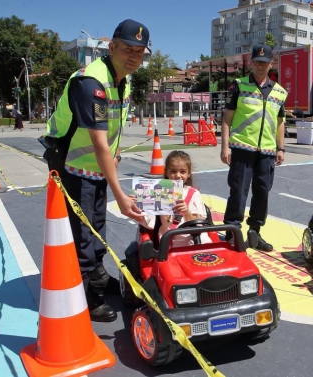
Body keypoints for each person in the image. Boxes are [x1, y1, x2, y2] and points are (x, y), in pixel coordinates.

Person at [41, 19, 149, 322]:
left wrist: (114, 158)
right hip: (72, 166)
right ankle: (83, 290)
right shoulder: (91, 81)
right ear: (112, 47)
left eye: (140, 52)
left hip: (97, 167)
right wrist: (121, 193)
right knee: (80, 233)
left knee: (96, 225)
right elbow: (98, 140)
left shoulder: (123, 80)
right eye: (128, 49)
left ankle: (98, 274)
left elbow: (114, 130)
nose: (134, 56)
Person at [221, 44, 287, 252]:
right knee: (238, 191)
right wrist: (225, 146)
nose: (260, 66)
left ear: (271, 64)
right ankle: (232, 232)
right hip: (242, 148)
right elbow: (227, 118)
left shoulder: (279, 92)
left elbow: (280, 121)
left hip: (267, 152)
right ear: (251, 63)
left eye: (264, 63)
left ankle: (255, 233)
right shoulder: (239, 85)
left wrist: (281, 148)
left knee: (262, 193)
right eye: (257, 62)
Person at [137, 150, 212, 247]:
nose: (177, 175)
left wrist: (186, 211)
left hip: (194, 239)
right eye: (173, 171)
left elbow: (197, 225)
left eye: (183, 172)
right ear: (166, 172)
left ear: (188, 174)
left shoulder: (193, 193)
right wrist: (137, 207)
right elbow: (148, 223)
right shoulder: (158, 192)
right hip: (170, 242)